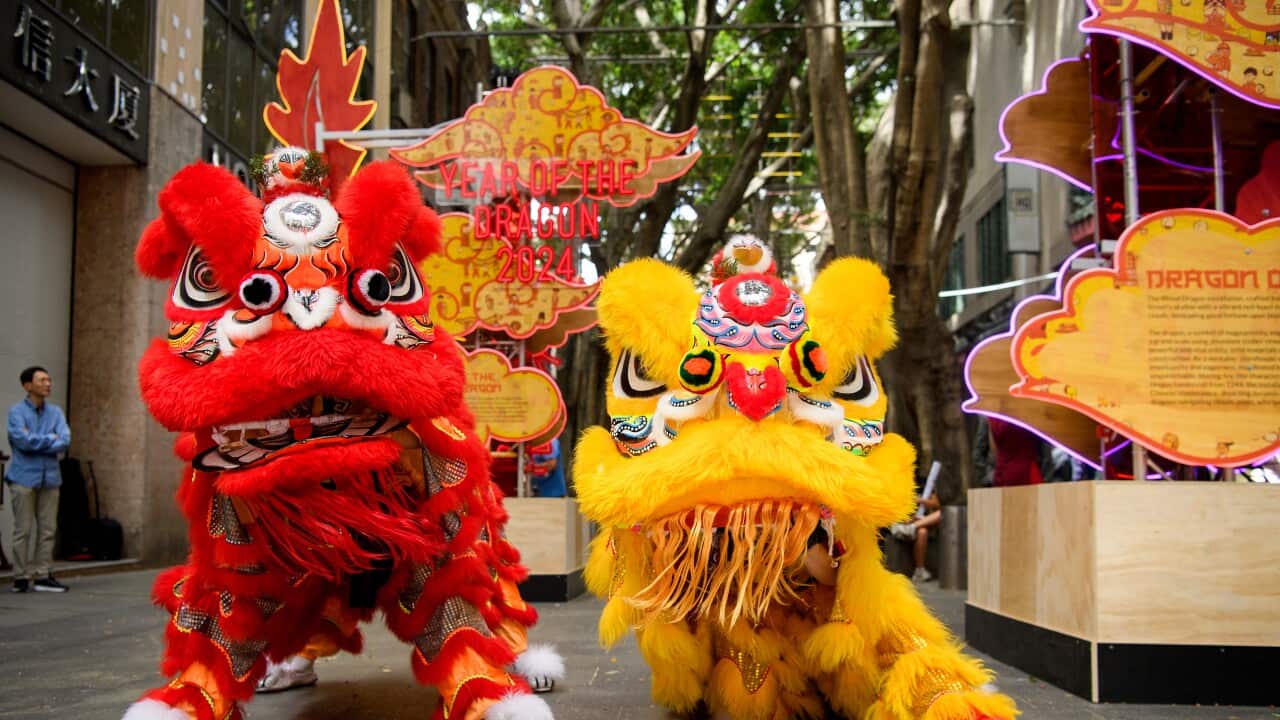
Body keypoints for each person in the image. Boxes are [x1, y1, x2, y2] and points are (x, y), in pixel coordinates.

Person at [6, 366, 72, 593]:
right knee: (22, 529)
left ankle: (42, 575)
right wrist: (48, 439)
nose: (48, 384)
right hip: (23, 477)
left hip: (50, 478)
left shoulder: (56, 413)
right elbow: (21, 441)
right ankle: (21, 576)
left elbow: (64, 440)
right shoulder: (16, 413)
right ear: (28, 385)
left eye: (49, 380)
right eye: (42, 380)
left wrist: (38, 440)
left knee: (47, 529)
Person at [890, 494, 941, 583]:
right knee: (923, 530)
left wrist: (919, 500)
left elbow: (936, 504)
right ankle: (911, 527)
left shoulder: (929, 485)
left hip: (919, 522)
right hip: (902, 522)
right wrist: (908, 519)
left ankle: (919, 571)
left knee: (923, 532)